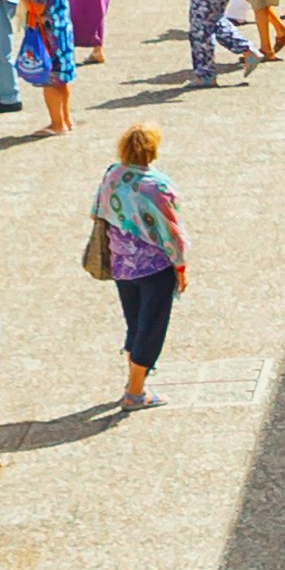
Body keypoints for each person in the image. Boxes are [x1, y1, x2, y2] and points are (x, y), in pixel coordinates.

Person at [91, 123, 188, 410]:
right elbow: (172, 233)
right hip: (154, 267)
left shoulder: (113, 175)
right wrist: (181, 269)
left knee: (135, 323)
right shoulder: (157, 185)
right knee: (151, 327)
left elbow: (98, 209)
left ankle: (134, 383)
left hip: (121, 264)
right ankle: (135, 393)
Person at [17, 0, 76, 136]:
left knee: (50, 80)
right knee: (62, 78)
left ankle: (56, 123)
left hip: (48, 34)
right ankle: (66, 118)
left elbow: (37, 8)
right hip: (64, 29)